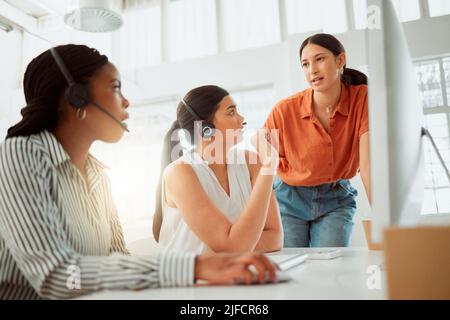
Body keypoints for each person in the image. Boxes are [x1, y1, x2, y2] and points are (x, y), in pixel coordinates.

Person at [0, 45, 277, 300]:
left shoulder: (98, 174)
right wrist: (195, 266)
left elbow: (119, 259)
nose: (127, 102)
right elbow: (57, 277)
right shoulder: (19, 154)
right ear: (77, 97)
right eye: (116, 87)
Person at [263, 33, 371, 247]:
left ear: (340, 60)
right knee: (292, 269)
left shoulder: (363, 99)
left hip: (336, 198)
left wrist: (385, 219)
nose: (312, 70)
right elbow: (261, 167)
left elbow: (368, 165)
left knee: (330, 268)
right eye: (305, 64)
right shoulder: (283, 111)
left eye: (320, 59)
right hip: (288, 197)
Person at [152, 85, 282, 254]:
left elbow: (275, 237)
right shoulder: (180, 173)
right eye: (231, 112)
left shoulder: (251, 162)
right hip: (187, 278)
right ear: (205, 128)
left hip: (233, 273)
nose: (241, 118)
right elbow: (233, 248)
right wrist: (269, 165)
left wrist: (238, 243)